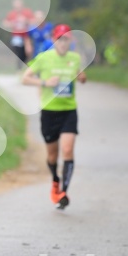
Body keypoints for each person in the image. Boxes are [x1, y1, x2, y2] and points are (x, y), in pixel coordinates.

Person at [21, 24, 86, 210]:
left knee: (67, 150)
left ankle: (63, 192)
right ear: (54, 40)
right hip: (49, 112)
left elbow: (79, 74)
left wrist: (82, 78)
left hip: (69, 110)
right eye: (60, 39)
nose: (63, 43)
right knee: (52, 155)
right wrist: (45, 82)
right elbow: (25, 78)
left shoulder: (75, 58)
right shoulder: (44, 58)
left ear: (70, 41)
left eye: (66, 39)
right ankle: (55, 181)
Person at [2, 0, 34, 69]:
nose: (18, 7)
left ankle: (26, 66)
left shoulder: (27, 12)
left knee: (27, 52)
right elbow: (5, 23)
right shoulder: (12, 14)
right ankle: (19, 67)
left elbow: (34, 21)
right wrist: (11, 23)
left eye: (19, 5)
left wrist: (26, 21)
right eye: (16, 6)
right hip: (17, 35)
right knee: (18, 49)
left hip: (27, 36)